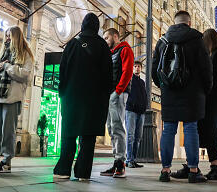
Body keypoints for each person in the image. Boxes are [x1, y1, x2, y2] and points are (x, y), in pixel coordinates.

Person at [152, 11, 212, 183]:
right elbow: (206, 69)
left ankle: (165, 170)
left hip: (169, 92)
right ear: (189, 23)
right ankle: (193, 170)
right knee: (190, 128)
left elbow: (155, 68)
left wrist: (164, 85)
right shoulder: (197, 40)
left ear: (174, 22)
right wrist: (205, 89)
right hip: (192, 93)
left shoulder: (163, 41)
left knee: (168, 129)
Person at [53, 13, 112, 181]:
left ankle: (63, 170)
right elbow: (109, 76)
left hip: (71, 97)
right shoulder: (103, 46)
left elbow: (62, 71)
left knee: (68, 134)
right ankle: (83, 173)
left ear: (82, 26)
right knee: (88, 137)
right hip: (94, 100)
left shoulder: (72, 44)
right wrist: (103, 96)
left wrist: (62, 92)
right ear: (97, 27)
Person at [175, 28, 217, 180]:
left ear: (210, 40)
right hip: (210, 97)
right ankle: (195, 165)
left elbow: (212, 77)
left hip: (210, 98)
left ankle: (211, 167)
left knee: (208, 131)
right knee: (202, 131)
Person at [0, 26, 33, 174]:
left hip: (12, 98)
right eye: (6, 36)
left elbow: (25, 75)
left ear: (17, 37)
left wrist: (6, 66)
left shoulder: (25, 54)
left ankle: (6, 161)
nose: (8, 39)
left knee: (8, 132)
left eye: (10, 36)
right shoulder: (3, 52)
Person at [100, 28, 134, 178]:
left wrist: (118, 91)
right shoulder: (112, 53)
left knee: (118, 126)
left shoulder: (125, 49)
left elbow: (127, 72)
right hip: (111, 93)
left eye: (107, 37)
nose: (105, 40)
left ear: (115, 36)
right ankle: (116, 161)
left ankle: (121, 163)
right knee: (111, 127)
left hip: (118, 93)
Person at [125, 61, 147, 169]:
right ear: (132, 68)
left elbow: (144, 96)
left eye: (139, 66)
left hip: (141, 113)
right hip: (131, 111)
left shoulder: (142, 82)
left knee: (138, 137)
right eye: (135, 66)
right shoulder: (129, 79)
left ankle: (133, 159)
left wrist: (144, 107)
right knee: (130, 136)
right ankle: (128, 160)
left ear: (141, 68)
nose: (137, 68)